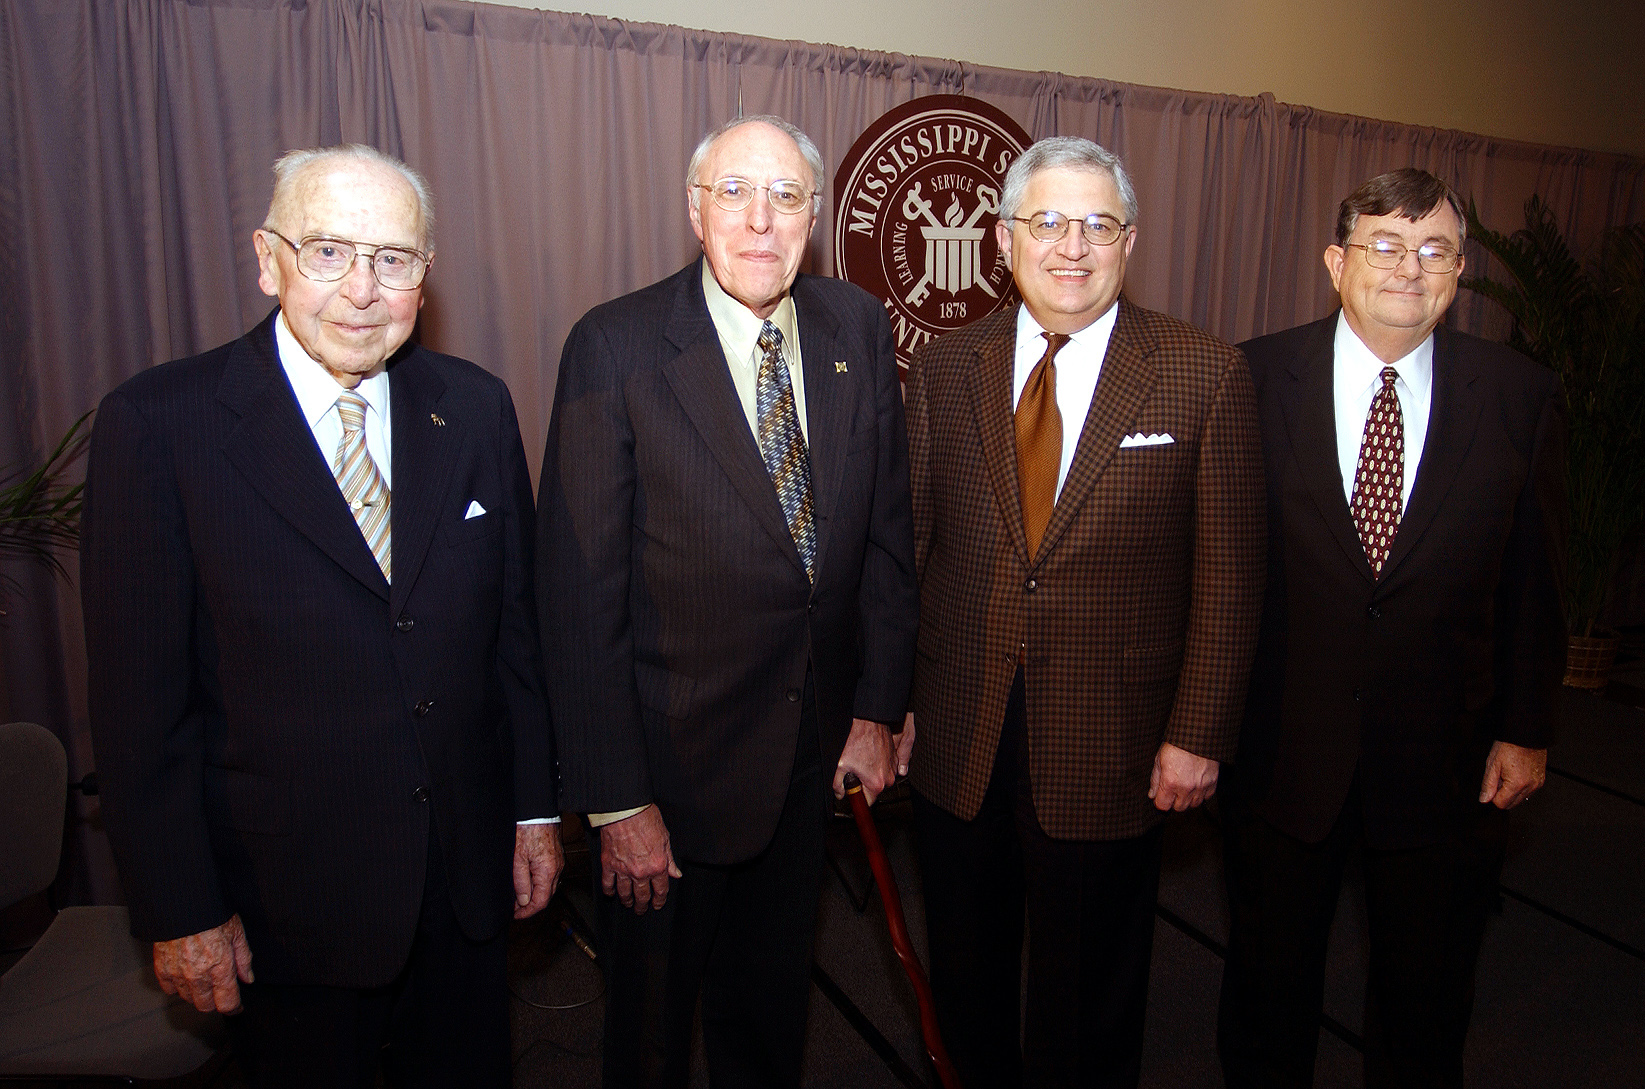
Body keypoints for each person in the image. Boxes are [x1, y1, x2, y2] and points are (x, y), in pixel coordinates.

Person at [80, 144, 561, 1088]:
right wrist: (180, 908)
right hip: (280, 903)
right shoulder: (160, 423)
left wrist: (535, 811)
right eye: (329, 251)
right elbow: (141, 705)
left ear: (424, 276)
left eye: (394, 259)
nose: (363, 289)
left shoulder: (473, 408)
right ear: (269, 260)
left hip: (463, 880)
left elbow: (513, 637)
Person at [536, 115, 918, 1088]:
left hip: (807, 762)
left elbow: (883, 539)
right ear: (694, 210)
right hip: (669, 780)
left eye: (786, 196)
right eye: (735, 193)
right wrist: (618, 800)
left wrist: (874, 710)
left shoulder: (855, 329)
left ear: (815, 216)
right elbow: (579, 602)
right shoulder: (616, 347)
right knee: (653, 1034)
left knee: (770, 1017)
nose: (760, 220)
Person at [903, 135, 1266, 1088]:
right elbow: (912, 550)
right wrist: (889, 702)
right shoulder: (945, 367)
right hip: (958, 730)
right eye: (1048, 221)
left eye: (1096, 224)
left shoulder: (1202, 372)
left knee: (1091, 996)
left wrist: (1198, 732)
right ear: (1003, 237)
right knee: (967, 973)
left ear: (1129, 239)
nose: (1072, 246)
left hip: (1115, 739)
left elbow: (1230, 580)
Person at [1218, 168, 1567, 1088]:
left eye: (1435, 249)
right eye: (1384, 243)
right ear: (1336, 263)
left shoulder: (1519, 396)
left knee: (1425, 1002)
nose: (1408, 267)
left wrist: (1526, 728)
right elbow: (1213, 572)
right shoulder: (1248, 377)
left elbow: (1536, 583)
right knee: (1264, 992)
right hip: (1279, 750)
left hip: (1447, 763)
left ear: (1457, 273)